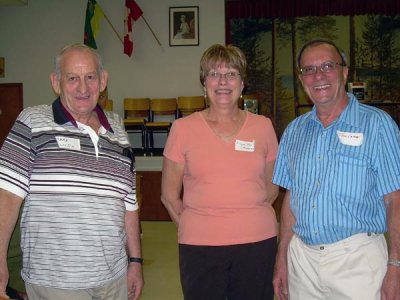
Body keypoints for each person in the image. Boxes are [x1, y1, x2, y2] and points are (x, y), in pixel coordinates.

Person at [0, 44, 144, 300]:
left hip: (114, 279)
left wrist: (135, 261)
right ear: (56, 82)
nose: (83, 87)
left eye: (90, 77)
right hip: (55, 282)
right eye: (72, 78)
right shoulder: (32, 122)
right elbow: (7, 197)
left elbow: (129, 204)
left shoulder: (118, 131)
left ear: (103, 80)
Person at [272, 38, 400, 300]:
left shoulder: (377, 125)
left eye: (327, 66)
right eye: (309, 69)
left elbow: (394, 199)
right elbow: (291, 200)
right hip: (302, 263)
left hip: (358, 262)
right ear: (301, 78)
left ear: (345, 72)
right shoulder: (294, 131)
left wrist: (396, 265)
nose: (318, 75)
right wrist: (282, 258)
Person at [161, 44, 279, 300]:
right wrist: (198, 225)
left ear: (242, 82)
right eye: (214, 74)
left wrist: (241, 218)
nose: (223, 82)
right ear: (204, 83)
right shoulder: (182, 129)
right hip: (199, 246)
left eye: (231, 74)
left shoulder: (263, 127)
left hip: (257, 243)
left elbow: (271, 188)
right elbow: (169, 196)